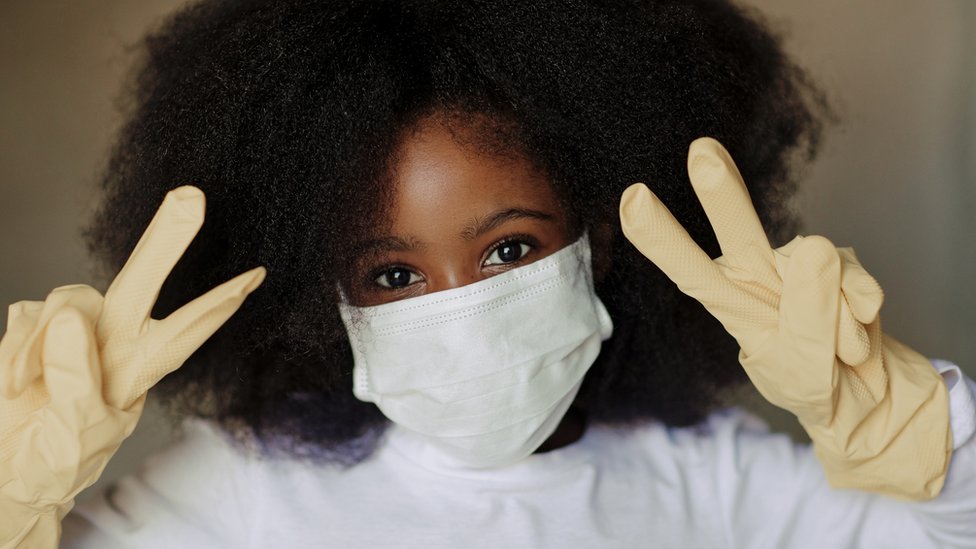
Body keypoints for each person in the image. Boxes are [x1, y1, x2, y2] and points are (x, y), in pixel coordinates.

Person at [0, 0, 973, 547]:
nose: (462, 306)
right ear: (320, 299)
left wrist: (907, 424)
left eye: (508, 249)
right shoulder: (248, 495)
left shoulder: (708, 480)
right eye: (391, 276)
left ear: (599, 234)